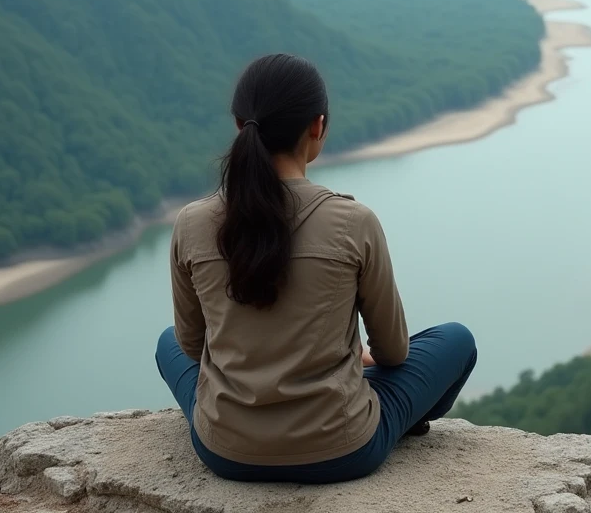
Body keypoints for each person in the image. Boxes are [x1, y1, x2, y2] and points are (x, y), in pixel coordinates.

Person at [154, 53, 477, 483]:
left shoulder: (192, 223)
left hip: (225, 453)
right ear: (317, 127)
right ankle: (402, 423)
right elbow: (394, 353)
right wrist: (353, 358)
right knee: (457, 340)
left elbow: (193, 349)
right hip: (343, 451)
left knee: (167, 343)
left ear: (238, 126)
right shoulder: (354, 222)